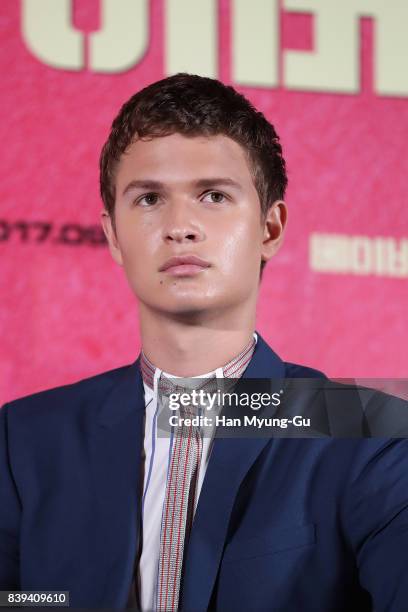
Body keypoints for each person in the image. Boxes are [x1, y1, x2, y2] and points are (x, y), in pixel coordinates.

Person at [1, 73, 407, 612]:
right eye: (149, 198)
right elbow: (23, 600)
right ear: (113, 235)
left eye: (214, 195)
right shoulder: (24, 439)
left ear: (270, 228)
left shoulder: (366, 432)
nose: (181, 227)